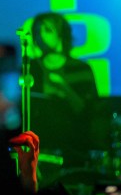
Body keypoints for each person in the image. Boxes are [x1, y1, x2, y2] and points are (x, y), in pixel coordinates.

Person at [26, 11, 103, 171]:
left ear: (61, 34)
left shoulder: (81, 69)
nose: (40, 36)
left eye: (47, 30)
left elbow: (88, 112)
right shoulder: (29, 69)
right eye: (37, 32)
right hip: (37, 151)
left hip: (74, 150)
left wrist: (64, 88)